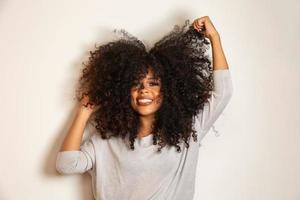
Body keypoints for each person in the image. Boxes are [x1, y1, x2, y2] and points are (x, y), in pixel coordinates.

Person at [56, 16, 233, 200]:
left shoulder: (187, 131)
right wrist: (83, 112)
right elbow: (66, 165)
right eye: (136, 84)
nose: (144, 91)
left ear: (168, 89)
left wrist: (214, 37)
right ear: (125, 91)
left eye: (153, 83)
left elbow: (223, 93)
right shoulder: (107, 140)